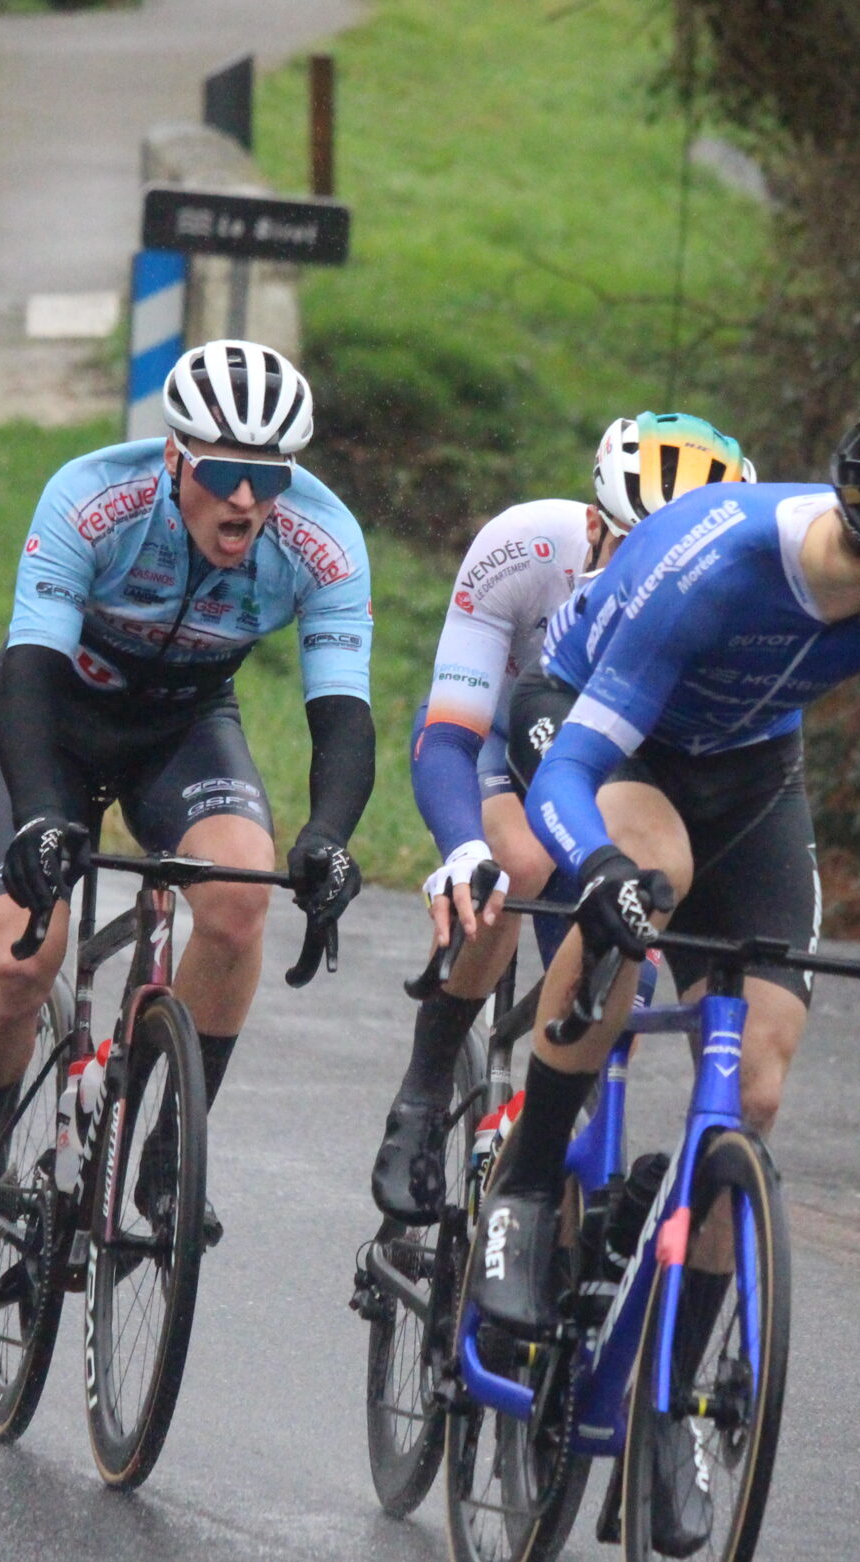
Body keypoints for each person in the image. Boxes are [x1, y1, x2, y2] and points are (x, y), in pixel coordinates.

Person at [468, 399, 860, 1342]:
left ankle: (670, 1389)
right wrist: (601, 867)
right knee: (652, 865)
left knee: (755, 1089)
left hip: (750, 771)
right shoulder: (714, 564)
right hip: (600, 731)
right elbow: (572, 768)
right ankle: (526, 1188)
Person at [0, 338, 377, 1316]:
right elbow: (31, 671)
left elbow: (342, 712)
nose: (246, 500)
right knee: (18, 964)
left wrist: (331, 835)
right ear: (175, 457)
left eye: (268, 477)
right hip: (59, 719)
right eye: (223, 474)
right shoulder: (92, 499)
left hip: (182, 729)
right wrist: (41, 816)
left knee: (240, 898)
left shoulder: (323, 540)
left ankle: (170, 1152)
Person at [368, 412, 754, 1224]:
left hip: (611, 764)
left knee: (623, 964)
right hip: (500, 730)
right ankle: (424, 1089)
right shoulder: (525, 548)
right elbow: (451, 732)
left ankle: (563, 1191)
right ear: (593, 525)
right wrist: (463, 848)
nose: (652, 578)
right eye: (635, 550)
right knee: (513, 866)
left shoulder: (727, 598)